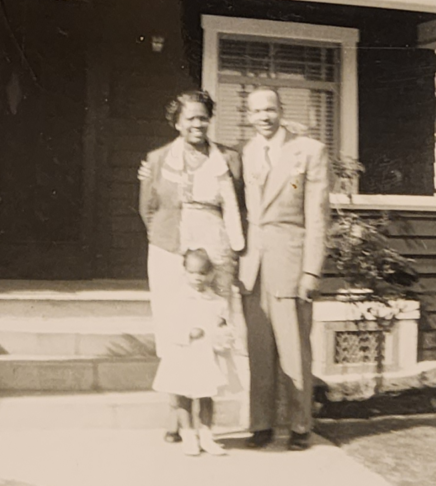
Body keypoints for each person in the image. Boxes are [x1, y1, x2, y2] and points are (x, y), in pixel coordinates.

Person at [139, 90, 245, 443]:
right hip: (169, 253)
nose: (197, 124)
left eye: (202, 117)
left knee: (212, 328)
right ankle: (176, 418)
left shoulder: (228, 158)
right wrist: (168, 239)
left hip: (214, 252)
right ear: (177, 122)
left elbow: (236, 206)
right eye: (190, 118)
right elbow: (148, 208)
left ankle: (207, 426)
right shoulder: (156, 159)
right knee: (174, 330)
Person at [238, 87, 330, 451]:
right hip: (253, 266)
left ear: (281, 111)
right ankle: (260, 424)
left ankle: (300, 425)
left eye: (270, 109)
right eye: (257, 111)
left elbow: (318, 216)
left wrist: (312, 271)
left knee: (294, 350)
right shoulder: (246, 152)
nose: (264, 116)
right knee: (258, 349)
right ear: (248, 116)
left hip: (291, 263)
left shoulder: (309, 151)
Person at [152, 248, 234, 456]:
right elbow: (167, 327)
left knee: (207, 397)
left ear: (211, 274)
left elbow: (225, 327)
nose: (197, 278)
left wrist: (222, 331)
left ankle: (206, 435)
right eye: (192, 273)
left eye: (202, 273)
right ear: (185, 272)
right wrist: (187, 333)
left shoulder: (216, 301)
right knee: (183, 397)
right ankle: (189, 434)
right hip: (184, 356)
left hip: (206, 358)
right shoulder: (177, 299)